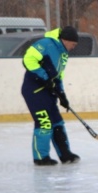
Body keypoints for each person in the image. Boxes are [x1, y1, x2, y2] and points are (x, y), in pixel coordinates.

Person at [21, 26, 80, 166]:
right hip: (34, 91)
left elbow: (58, 76)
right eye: (73, 44)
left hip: (48, 92)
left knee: (57, 122)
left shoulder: (63, 54)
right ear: (65, 40)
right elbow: (27, 59)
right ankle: (40, 157)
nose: (73, 48)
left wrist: (62, 95)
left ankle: (65, 154)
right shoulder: (46, 44)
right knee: (44, 123)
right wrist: (44, 77)